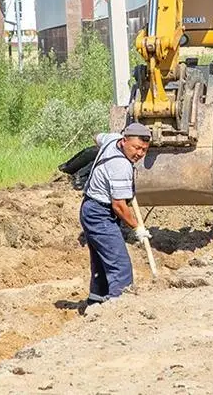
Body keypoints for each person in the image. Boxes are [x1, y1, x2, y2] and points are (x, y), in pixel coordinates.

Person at [79, 122, 152, 307]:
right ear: (125, 140)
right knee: (120, 265)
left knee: (102, 260)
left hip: (91, 208)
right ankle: (120, 307)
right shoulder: (121, 167)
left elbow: (97, 137)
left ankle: (96, 301)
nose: (139, 154)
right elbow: (119, 206)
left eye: (144, 150)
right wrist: (138, 228)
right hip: (99, 214)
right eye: (136, 148)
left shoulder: (111, 139)